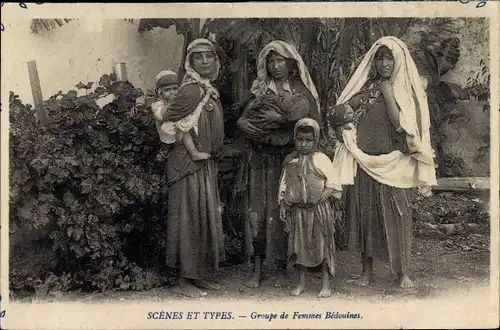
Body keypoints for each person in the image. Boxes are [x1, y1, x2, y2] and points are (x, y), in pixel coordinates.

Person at [328, 36, 437, 289]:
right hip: (366, 163)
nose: (384, 63)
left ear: (398, 60)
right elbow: (340, 111)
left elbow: (401, 125)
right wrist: (344, 123)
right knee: (367, 217)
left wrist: (388, 93)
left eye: (389, 58)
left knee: (397, 218)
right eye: (380, 57)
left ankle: (402, 273)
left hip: (395, 166)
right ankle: (367, 272)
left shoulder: (409, 91)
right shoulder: (367, 89)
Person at [236, 40, 321, 288]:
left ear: (290, 63)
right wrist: (243, 124)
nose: (275, 66)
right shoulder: (260, 89)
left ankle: (282, 267)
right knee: (258, 212)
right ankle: (258, 267)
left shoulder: (299, 90)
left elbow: (311, 123)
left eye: (280, 61)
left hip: (285, 158)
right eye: (271, 61)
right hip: (260, 158)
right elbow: (244, 115)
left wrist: (282, 120)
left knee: (282, 210)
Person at [164, 38, 226, 298]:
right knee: (188, 220)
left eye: (208, 56)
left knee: (203, 219)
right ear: (190, 62)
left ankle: (197, 276)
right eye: (198, 57)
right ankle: (183, 280)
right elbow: (170, 119)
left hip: (203, 163)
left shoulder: (207, 89)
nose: (204, 61)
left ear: (215, 60)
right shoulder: (191, 91)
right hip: (188, 165)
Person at [279, 118, 342, 298]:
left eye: (308, 140)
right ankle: (301, 283)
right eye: (300, 140)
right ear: (295, 139)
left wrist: (326, 193)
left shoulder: (321, 159)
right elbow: (284, 185)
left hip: (319, 211)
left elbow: (334, 182)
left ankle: (325, 284)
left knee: (321, 246)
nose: (304, 144)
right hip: (298, 211)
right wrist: (284, 204)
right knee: (300, 248)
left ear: (315, 141)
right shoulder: (291, 161)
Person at [151, 70, 211, 161]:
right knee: (184, 130)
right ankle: (194, 153)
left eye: (175, 89)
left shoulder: (180, 100)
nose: (172, 92)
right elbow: (161, 116)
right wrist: (170, 103)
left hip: (178, 128)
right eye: (167, 90)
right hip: (168, 131)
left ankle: (195, 149)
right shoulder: (158, 104)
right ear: (160, 92)